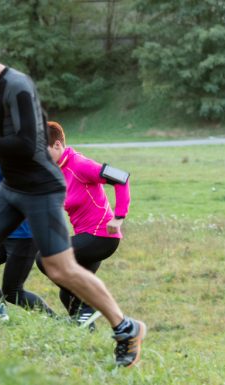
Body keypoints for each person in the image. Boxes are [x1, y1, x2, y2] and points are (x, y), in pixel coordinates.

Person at [0, 31, 145, 367]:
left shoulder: (17, 86)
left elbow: (27, 145)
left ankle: (126, 327)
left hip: (40, 189)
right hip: (13, 187)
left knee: (59, 268)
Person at [39, 121, 131, 330]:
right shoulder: (57, 170)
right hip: (88, 237)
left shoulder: (79, 164)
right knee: (68, 295)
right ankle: (86, 334)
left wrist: (119, 216)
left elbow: (121, 178)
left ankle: (91, 305)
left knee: (46, 259)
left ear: (57, 145)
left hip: (101, 237)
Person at [0, 108, 54, 318]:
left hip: (24, 235)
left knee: (13, 291)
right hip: (5, 232)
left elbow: (9, 201)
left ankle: (56, 320)